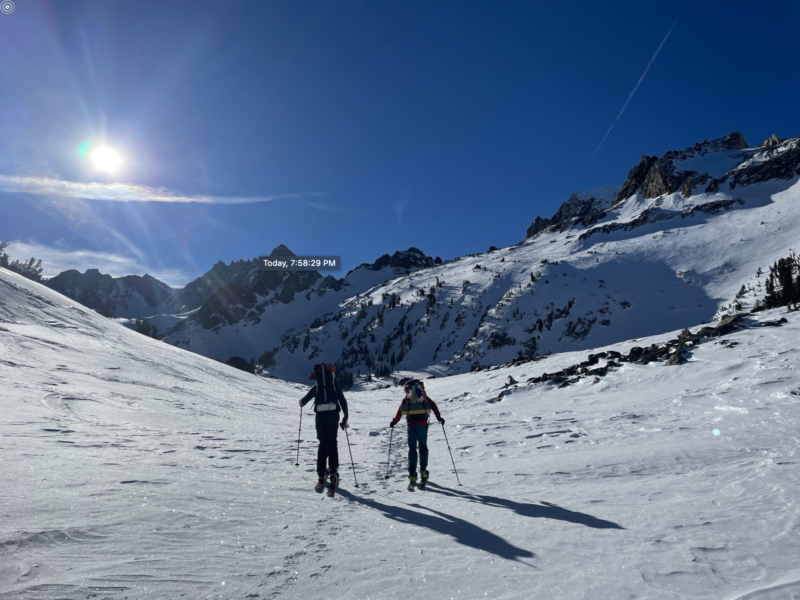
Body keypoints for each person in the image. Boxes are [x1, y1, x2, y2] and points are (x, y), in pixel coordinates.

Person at [299, 363, 349, 496]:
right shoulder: (333, 384)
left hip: (320, 417)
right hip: (333, 415)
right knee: (332, 443)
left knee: (322, 444)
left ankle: (321, 478)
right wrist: (345, 417)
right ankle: (333, 475)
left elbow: (304, 400)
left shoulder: (318, 386)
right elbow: (343, 400)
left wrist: (301, 403)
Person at [390, 378, 444, 491]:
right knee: (423, 446)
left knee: (412, 449)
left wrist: (394, 422)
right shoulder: (422, 397)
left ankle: (412, 475)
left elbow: (400, 410)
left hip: (411, 425)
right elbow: (433, 405)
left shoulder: (407, 398)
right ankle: (423, 472)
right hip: (422, 424)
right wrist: (439, 417)